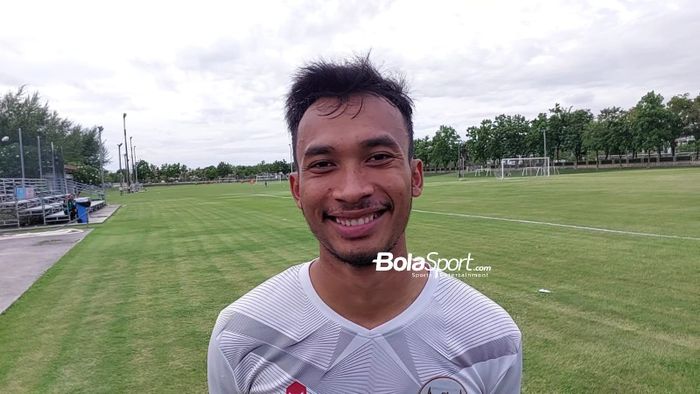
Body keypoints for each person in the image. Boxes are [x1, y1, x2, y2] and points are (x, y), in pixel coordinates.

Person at [208, 56, 522, 394]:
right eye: (323, 164)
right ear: (297, 189)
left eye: (378, 157)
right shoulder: (242, 336)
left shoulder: (491, 339)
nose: (352, 190)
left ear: (415, 177)